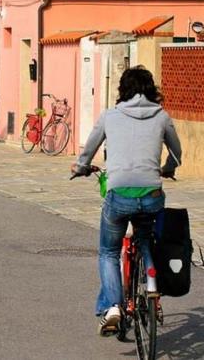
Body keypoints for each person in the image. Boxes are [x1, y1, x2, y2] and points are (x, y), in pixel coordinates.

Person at [71, 65, 182, 335]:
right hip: (152, 196)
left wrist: (81, 167)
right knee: (147, 238)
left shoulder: (110, 116)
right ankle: (151, 281)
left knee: (109, 252)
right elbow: (177, 152)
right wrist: (167, 168)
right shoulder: (162, 116)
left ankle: (112, 307)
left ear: (123, 90)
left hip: (119, 196)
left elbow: (89, 149)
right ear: (151, 90)